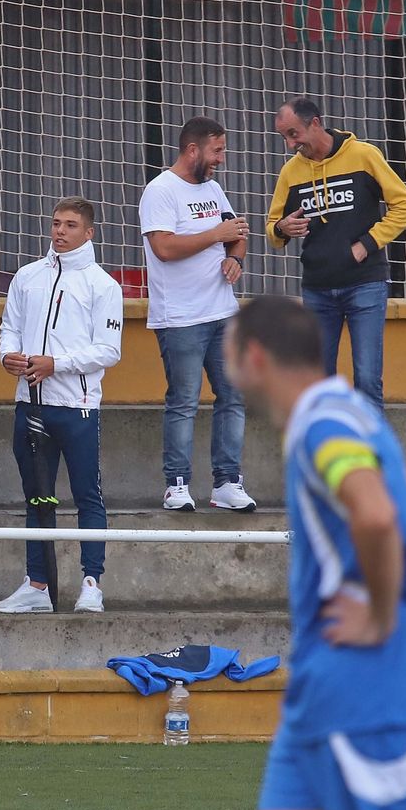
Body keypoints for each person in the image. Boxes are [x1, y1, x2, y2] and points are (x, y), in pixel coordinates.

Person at [228, 296, 406, 810]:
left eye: (228, 352)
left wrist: (379, 618)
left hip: (368, 684)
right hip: (322, 687)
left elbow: (374, 514)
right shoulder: (333, 412)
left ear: (253, 357)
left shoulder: (324, 423)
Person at [0, 197, 123, 614]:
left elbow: (109, 350)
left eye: (70, 225)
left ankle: (91, 583)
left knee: (88, 495)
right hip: (29, 405)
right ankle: (38, 586)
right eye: (55, 223)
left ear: (89, 232)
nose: (60, 231)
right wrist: (8, 356)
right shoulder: (27, 277)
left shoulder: (104, 285)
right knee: (37, 497)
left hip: (79, 408)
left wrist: (56, 364)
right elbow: (8, 328)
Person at [266, 96, 406, 410]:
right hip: (317, 290)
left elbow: (405, 206)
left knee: (366, 378)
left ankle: (369, 455)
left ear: (316, 124)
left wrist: (368, 243)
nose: (290, 144)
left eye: (294, 134)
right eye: (284, 137)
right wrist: (282, 229)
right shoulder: (291, 173)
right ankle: (328, 451)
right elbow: (273, 230)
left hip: (365, 284)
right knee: (319, 383)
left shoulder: (363, 156)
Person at [138, 116, 256, 514]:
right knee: (184, 401)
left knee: (233, 396)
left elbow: (235, 232)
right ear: (193, 150)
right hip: (181, 318)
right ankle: (176, 484)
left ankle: (227, 482)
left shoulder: (213, 188)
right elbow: (164, 249)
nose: (222, 158)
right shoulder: (160, 191)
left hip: (222, 311)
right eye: (217, 150)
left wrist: (235, 259)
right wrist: (216, 238)